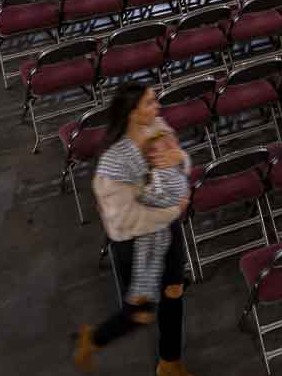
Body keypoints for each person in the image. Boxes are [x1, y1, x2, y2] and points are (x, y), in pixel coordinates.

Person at [71, 84, 193, 375]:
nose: (158, 108)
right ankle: (93, 339)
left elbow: (177, 165)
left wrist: (180, 159)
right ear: (132, 112)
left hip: (167, 229)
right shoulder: (113, 162)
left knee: (174, 292)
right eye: (150, 103)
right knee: (141, 313)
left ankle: (169, 362)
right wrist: (174, 210)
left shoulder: (157, 126)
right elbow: (126, 221)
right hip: (133, 242)